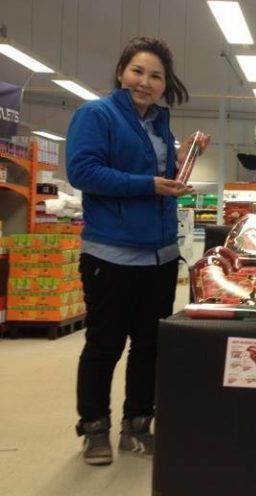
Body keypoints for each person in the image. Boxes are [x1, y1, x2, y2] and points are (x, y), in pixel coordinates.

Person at [66, 36, 210, 465]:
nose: (144, 82)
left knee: (150, 345)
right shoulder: (96, 114)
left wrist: (180, 163)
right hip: (110, 255)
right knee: (104, 345)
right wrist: (147, 185)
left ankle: (138, 424)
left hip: (160, 256)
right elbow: (83, 171)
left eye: (155, 76)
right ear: (120, 72)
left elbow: (161, 182)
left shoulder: (159, 125)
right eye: (137, 71)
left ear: (166, 84)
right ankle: (94, 428)